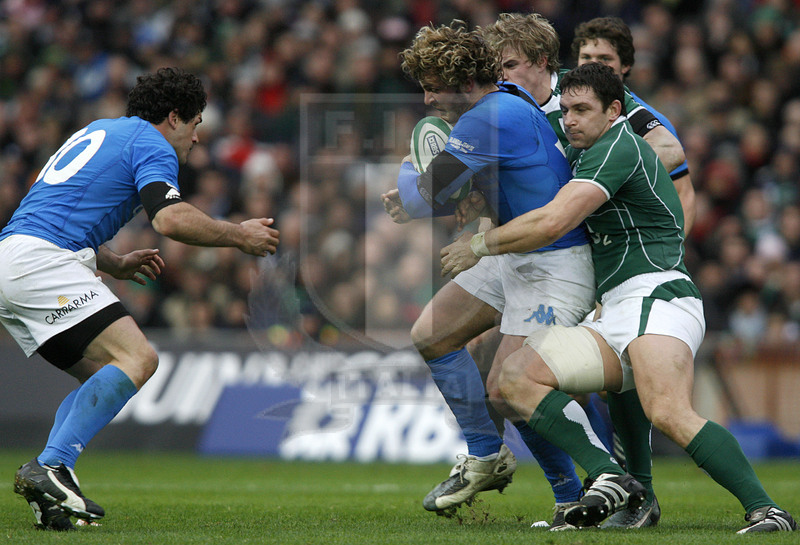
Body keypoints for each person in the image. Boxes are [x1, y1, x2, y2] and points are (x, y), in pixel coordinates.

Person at [440, 62, 797, 534]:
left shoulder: (618, 145)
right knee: (513, 379)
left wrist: (480, 244)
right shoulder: (580, 150)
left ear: (613, 111)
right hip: (612, 307)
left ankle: (768, 511)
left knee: (666, 410)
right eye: (566, 109)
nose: (570, 119)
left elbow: (553, 221)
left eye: (582, 110)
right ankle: (615, 480)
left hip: (658, 295)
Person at [2, 67, 280, 531]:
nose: (197, 137)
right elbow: (169, 220)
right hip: (42, 264)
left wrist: (113, 262)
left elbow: (58, 210)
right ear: (173, 118)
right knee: (139, 358)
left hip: (14, 259)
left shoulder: (100, 130)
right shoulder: (152, 143)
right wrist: (239, 235)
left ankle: (52, 491)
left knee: (102, 375)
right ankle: (51, 466)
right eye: (195, 123)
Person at [381, 21, 597, 518]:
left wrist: (410, 172)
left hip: (553, 261)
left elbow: (425, 194)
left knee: (509, 388)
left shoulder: (487, 117)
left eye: (433, 87)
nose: (428, 99)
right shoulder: (504, 99)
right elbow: (473, 187)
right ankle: (487, 455)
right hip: (513, 252)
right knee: (432, 335)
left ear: (463, 80)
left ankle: (601, 482)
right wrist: (445, 195)